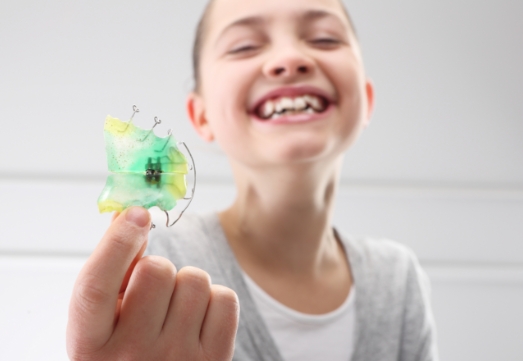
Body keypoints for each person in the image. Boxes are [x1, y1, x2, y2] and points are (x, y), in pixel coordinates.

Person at [67, 0, 439, 360]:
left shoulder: (397, 278)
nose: (290, 59)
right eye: (244, 46)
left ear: (367, 99)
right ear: (201, 116)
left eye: (325, 38)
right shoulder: (154, 260)